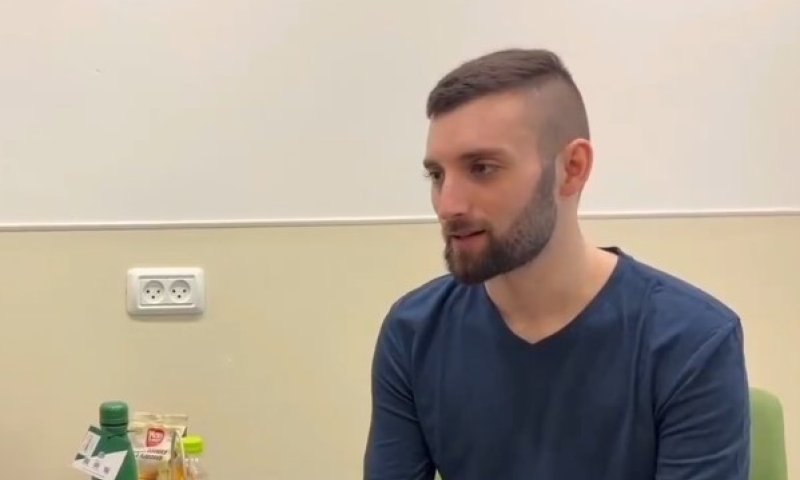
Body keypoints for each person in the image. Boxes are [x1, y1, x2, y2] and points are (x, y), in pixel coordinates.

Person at [362, 48, 750, 480]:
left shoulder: (690, 341)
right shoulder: (415, 332)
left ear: (572, 168)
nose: (448, 204)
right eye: (437, 175)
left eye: (482, 168)